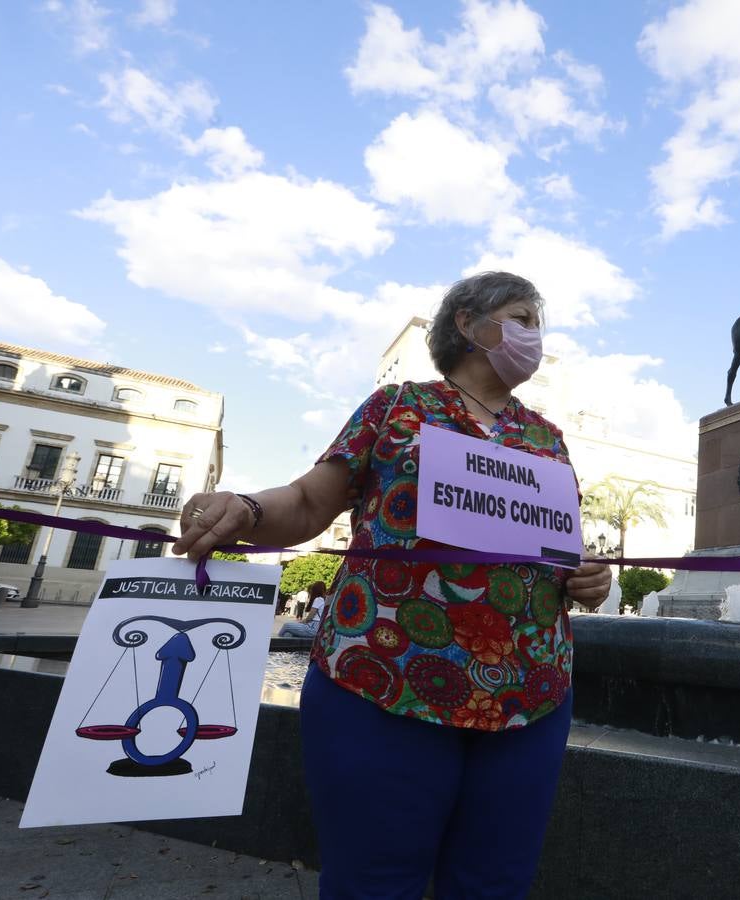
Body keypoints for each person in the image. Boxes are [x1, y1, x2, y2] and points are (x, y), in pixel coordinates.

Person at [173, 271, 612, 898]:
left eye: (537, 324)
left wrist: (585, 579)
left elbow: (559, 557)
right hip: (384, 678)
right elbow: (305, 501)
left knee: (496, 884)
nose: (534, 336)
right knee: (374, 884)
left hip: (531, 696)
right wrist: (245, 507)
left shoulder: (548, 439)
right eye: (521, 318)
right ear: (467, 322)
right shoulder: (398, 407)